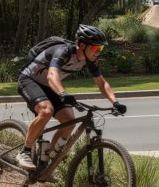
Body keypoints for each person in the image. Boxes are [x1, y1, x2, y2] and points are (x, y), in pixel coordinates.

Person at [15, 24, 127, 171]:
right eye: (95, 48)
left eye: (101, 49)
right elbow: (52, 75)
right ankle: (25, 152)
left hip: (50, 86)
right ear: (81, 44)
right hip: (30, 80)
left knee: (69, 122)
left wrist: (115, 102)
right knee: (46, 111)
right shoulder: (63, 51)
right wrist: (63, 93)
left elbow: (101, 83)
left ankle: (45, 163)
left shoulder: (90, 60)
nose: (98, 52)